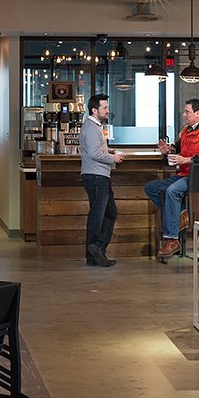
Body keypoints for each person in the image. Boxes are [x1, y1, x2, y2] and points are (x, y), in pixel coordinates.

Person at [145, 98, 199, 260]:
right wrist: (167, 149)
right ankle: (180, 214)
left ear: (197, 113)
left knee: (172, 191)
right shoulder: (185, 130)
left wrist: (186, 160)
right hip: (184, 175)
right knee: (151, 187)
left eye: (187, 112)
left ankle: (172, 239)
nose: (184, 115)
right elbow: (176, 147)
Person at [80, 93, 123, 267]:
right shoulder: (91, 128)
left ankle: (95, 253)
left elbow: (97, 149)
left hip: (98, 176)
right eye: (104, 108)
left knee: (107, 214)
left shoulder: (94, 126)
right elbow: (94, 153)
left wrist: (110, 151)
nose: (107, 110)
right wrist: (113, 158)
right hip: (96, 176)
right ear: (94, 110)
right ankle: (95, 249)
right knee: (98, 216)